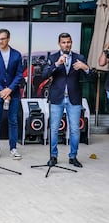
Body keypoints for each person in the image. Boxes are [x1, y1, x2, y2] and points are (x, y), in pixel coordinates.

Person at [42, 32, 91, 168]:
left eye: (68, 42)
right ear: (59, 43)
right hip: (57, 98)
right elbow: (44, 74)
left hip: (73, 98)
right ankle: (53, 156)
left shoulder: (79, 58)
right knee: (54, 129)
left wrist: (85, 68)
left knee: (75, 129)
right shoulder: (53, 57)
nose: (66, 45)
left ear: (71, 43)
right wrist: (57, 64)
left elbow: (91, 78)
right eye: (63, 42)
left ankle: (73, 157)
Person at [0, 28, 23, 160]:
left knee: (13, 120)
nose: (0, 41)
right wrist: (2, 91)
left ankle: (13, 148)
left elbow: (19, 74)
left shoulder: (17, 55)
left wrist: (10, 90)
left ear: (8, 39)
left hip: (13, 93)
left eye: (3, 38)